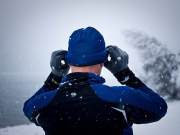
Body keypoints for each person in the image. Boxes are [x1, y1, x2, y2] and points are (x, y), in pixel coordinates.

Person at [23, 27, 167, 135]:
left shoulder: (44, 103)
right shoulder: (120, 97)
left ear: (67, 61)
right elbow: (159, 107)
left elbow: (28, 108)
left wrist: (54, 78)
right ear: (103, 61)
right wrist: (125, 75)